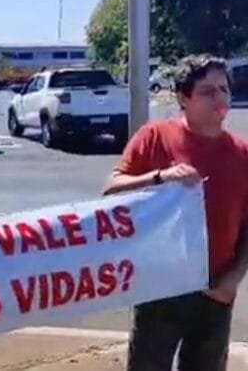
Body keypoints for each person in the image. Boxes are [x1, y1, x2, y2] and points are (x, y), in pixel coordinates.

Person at [102, 55, 248, 371]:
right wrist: (159, 177)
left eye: (224, 89)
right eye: (208, 91)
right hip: (160, 286)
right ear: (184, 97)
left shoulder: (242, 154)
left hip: (216, 290)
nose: (220, 98)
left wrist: (233, 279)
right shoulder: (154, 137)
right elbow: (111, 190)